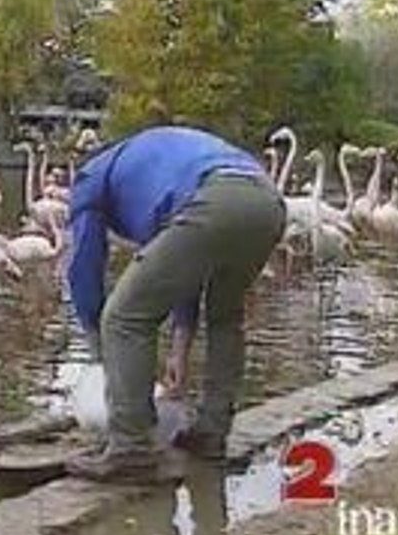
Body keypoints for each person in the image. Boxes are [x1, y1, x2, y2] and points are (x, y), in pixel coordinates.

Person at [64, 125, 285, 482]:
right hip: (266, 201)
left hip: (215, 197)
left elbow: (84, 267)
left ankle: (131, 447)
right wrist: (179, 348)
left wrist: (98, 349)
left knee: (123, 317)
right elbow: (184, 264)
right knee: (225, 317)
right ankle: (211, 432)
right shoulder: (151, 161)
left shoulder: (90, 176)